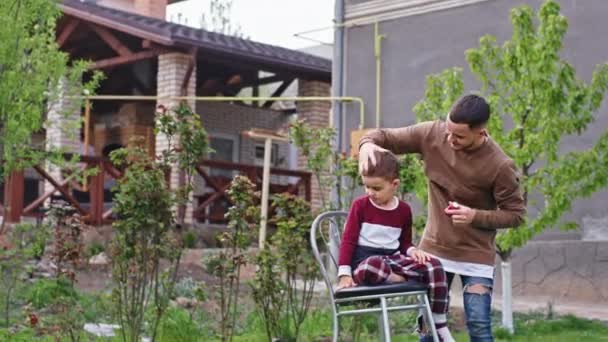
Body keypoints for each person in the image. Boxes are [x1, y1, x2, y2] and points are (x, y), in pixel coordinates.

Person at [358, 94, 526, 342]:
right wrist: (367, 144)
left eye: (458, 136)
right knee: (425, 328)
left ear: (481, 133)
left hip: (475, 257)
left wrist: (474, 216)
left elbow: (515, 216)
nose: (449, 139)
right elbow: (384, 137)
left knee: (479, 326)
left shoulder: (500, 165)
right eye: (448, 131)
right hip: (433, 253)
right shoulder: (431, 135)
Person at [337, 149, 455, 342]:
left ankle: (438, 322)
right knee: (374, 265)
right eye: (366, 187)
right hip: (366, 262)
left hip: (393, 259)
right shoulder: (360, 206)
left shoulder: (404, 210)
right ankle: (397, 279)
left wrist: (413, 251)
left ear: (395, 185)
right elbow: (348, 241)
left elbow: (404, 244)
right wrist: (344, 274)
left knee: (435, 266)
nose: (370, 193)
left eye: (376, 188)